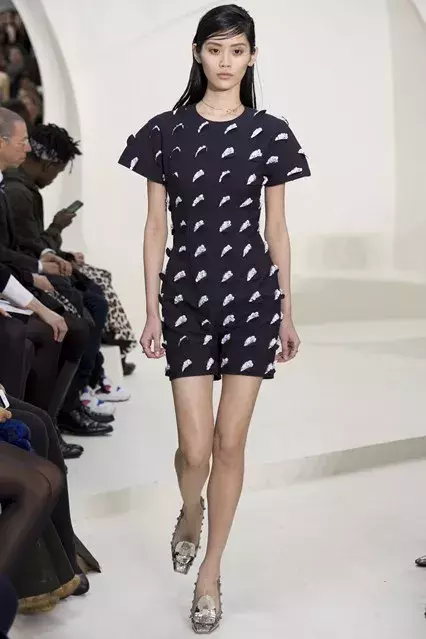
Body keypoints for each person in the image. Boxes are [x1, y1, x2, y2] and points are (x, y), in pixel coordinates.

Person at [119, 4, 310, 632]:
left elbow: (277, 228)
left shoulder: (271, 133)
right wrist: (151, 308)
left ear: (252, 57)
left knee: (230, 444)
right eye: (215, 49)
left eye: (237, 50)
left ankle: (210, 573)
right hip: (186, 299)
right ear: (197, 54)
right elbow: (155, 226)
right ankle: (190, 510)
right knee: (195, 447)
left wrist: (286, 309)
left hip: (253, 298)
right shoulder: (163, 132)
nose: (225, 62)